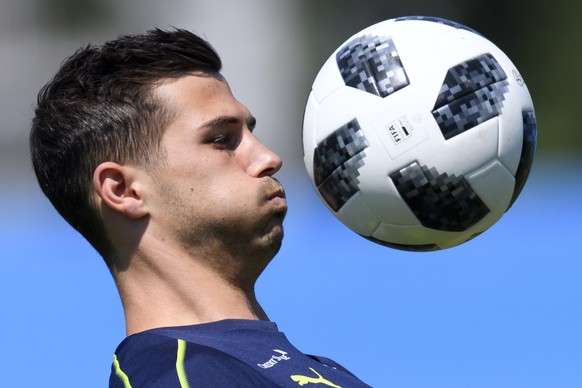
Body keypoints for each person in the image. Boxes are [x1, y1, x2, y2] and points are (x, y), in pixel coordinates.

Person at [30, 28, 371, 387]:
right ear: (124, 190)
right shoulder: (176, 378)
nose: (269, 158)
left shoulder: (324, 370)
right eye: (222, 140)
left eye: (250, 132)